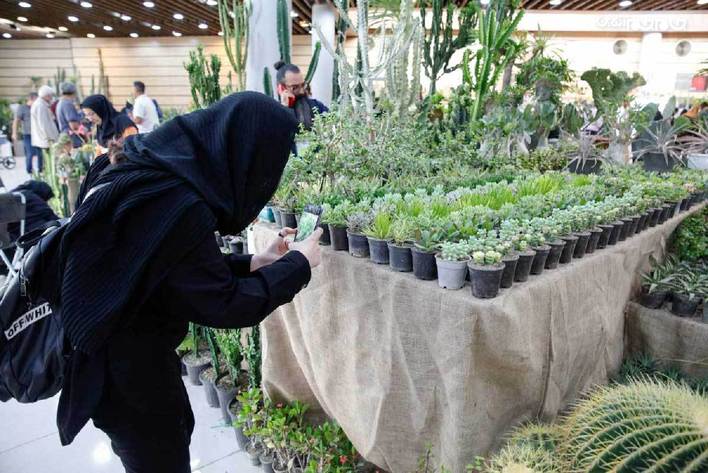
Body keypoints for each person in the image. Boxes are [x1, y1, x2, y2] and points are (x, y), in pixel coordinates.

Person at [56, 92, 322, 473]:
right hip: (125, 374)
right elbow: (226, 304)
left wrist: (256, 262)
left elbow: (171, 270)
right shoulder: (180, 204)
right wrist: (299, 263)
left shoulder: (146, 163)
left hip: (112, 354)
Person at [274, 61, 328, 131]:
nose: (301, 91)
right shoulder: (273, 111)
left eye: (303, 85)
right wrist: (285, 109)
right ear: (281, 88)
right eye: (295, 88)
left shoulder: (317, 106)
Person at [30, 85, 59, 173]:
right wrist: (50, 138)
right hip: (44, 140)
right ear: (46, 95)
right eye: (50, 95)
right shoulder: (40, 105)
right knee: (45, 163)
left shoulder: (41, 104)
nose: (51, 97)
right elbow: (43, 124)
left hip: (43, 139)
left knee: (44, 161)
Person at [12, 92, 42, 174]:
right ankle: (29, 170)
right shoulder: (22, 108)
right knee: (30, 153)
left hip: (38, 134)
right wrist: (14, 133)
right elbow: (16, 121)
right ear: (32, 99)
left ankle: (41, 170)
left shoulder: (38, 107)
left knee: (40, 153)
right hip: (28, 134)